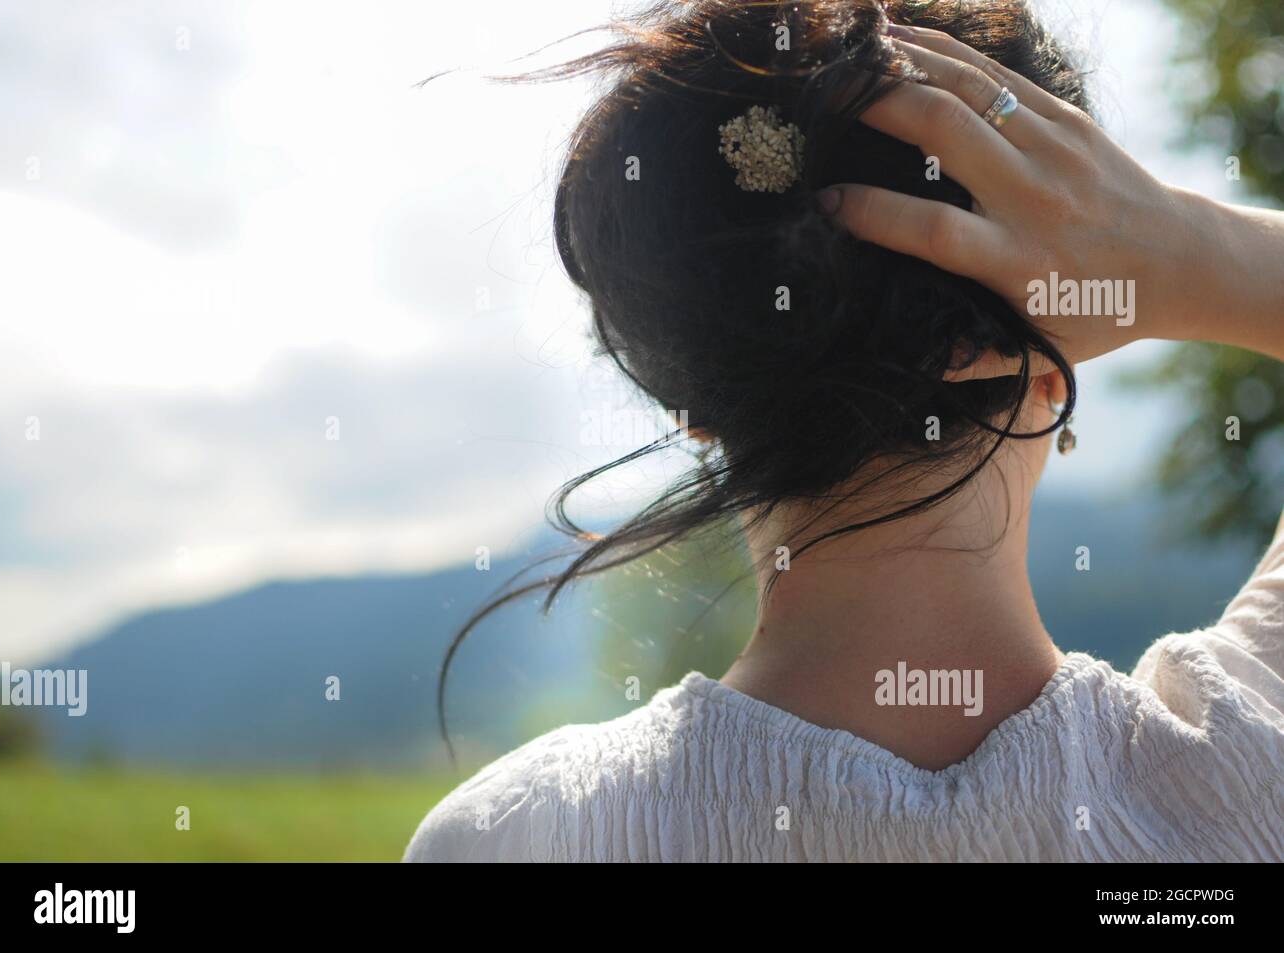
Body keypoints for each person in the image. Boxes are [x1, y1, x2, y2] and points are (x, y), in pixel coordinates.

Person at [406, 0, 1284, 862]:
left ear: (693, 400)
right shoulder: (1248, 776)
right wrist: (1180, 251)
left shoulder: (515, 836)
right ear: (1053, 366)